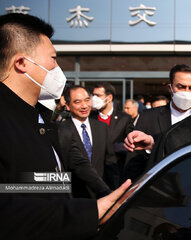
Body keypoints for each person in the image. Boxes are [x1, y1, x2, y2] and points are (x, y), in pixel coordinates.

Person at [0, 13, 131, 239]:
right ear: (21, 63)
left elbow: (29, 183)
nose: (57, 68)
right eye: (53, 58)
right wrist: (88, 213)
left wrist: (91, 201)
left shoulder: (40, 120)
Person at [123, 64, 191, 181]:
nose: (186, 92)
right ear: (170, 88)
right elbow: (134, 161)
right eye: (181, 87)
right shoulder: (148, 117)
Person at [59, 85, 117, 198]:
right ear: (68, 106)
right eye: (77, 102)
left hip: (101, 194)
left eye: (87, 100)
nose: (84, 106)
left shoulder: (102, 127)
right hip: (74, 197)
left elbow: (110, 161)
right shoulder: (61, 130)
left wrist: (112, 192)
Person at [91, 82, 132, 188]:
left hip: (116, 172)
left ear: (109, 98)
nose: (94, 98)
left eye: (98, 95)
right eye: (93, 95)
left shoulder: (124, 118)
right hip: (93, 172)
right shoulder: (90, 117)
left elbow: (130, 144)